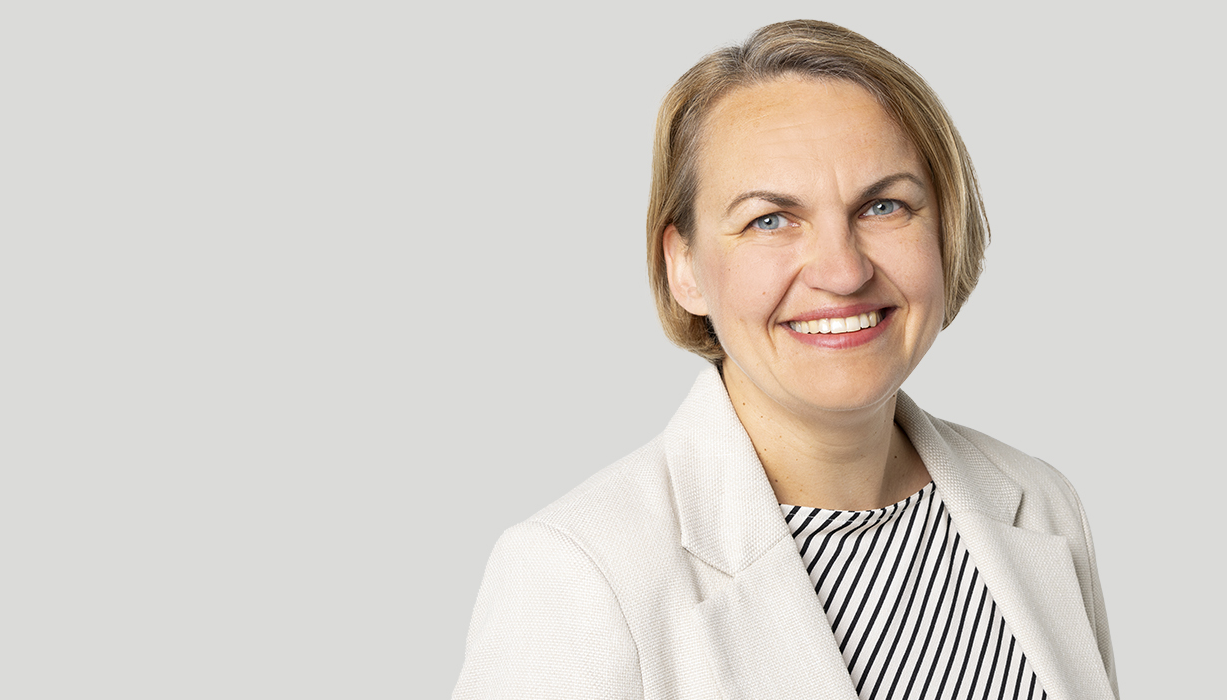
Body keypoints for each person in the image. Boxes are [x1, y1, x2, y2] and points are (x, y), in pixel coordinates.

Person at [453, 20, 1117, 700]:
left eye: (884, 206)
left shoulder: (1042, 505)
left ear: (946, 229)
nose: (843, 271)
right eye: (769, 219)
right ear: (684, 267)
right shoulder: (576, 575)